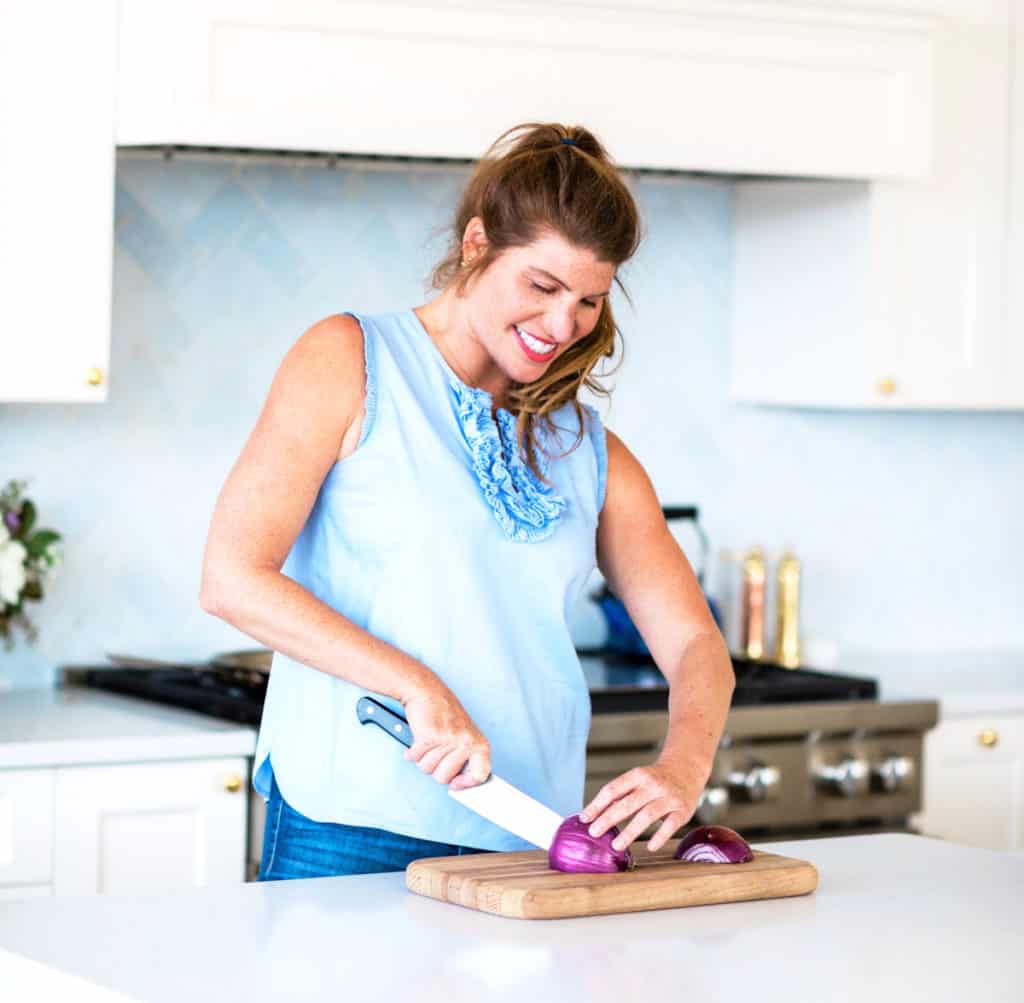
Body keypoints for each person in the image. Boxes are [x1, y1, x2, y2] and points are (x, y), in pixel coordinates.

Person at [199, 122, 734, 880]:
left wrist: (684, 765)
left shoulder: (588, 449)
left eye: (587, 300)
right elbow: (231, 577)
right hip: (350, 823)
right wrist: (418, 685)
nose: (561, 325)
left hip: (526, 838)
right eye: (542, 286)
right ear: (477, 244)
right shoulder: (351, 359)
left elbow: (695, 645)